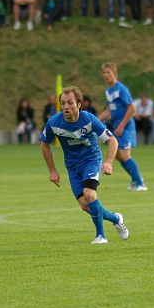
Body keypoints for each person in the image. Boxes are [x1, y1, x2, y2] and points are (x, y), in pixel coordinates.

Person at [40, 86, 129, 244]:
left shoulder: (88, 119)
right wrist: (52, 170)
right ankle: (116, 218)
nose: (66, 107)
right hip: (72, 166)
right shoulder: (54, 122)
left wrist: (108, 162)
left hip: (91, 160)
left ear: (79, 104)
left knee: (89, 194)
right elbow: (44, 144)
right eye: (63, 103)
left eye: (70, 103)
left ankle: (101, 236)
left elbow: (112, 140)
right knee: (85, 205)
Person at [98, 62, 146, 191]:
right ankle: (135, 179)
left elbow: (131, 109)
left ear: (114, 73)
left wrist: (121, 125)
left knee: (125, 155)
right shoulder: (109, 91)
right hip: (116, 125)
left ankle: (140, 183)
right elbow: (109, 109)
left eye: (108, 72)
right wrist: (96, 120)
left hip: (125, 126)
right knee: (119, 156)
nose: (106, 75)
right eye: (104, 73)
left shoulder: (121, 89)